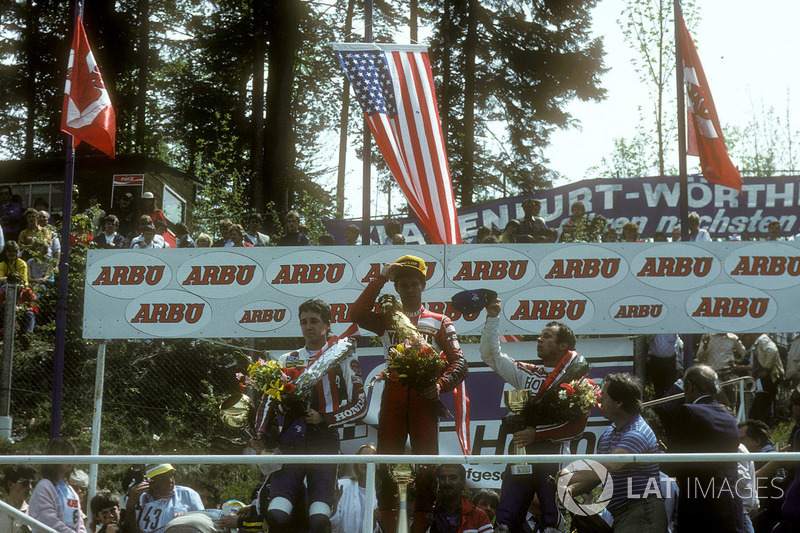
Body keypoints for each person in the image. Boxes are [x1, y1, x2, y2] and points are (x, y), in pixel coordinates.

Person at [352, 255, 468, 533]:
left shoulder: (440, 321)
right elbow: (355, 314)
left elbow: (460, 363)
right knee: (388, 460)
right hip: (392, 393)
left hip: (424, 397)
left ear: (423, 285)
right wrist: (380, 278)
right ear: (397, 287)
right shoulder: (387, 318)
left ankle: (423, 521)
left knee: (427, 462)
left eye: (414, 283)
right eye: (403, 284)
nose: (409, 289)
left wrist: (440, 384)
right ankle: (389, 520)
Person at [252, 299, 367, 533]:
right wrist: (261, 432)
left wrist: (325, 418)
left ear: (327, 324)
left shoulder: (342, 356)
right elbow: (267, 400)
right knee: (277, 513)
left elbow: (361, 404)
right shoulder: (286, 359)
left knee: (318, 519)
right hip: (290, 443)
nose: (308, 327)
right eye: (304, 322)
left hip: (324, 441)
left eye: (314, 321)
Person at [479, 297, 587, 533]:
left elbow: (577, 428)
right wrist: (493, 318)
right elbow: (491, 355)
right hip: (521, 452)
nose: (539, 339)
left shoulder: (577, 380)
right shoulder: (526, 372)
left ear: (563, 346)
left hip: (553, 454)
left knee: (553, 519)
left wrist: (536, 434)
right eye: (540, 335)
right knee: (505, 521)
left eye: (547, 336)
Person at [559, 373, 666, 533]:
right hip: (625, 515)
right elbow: (601, 474)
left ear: (619, 403)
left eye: (604, 396)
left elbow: (610, 465)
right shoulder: (609, 433)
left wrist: (570, 476)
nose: (599, 400)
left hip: (642, 513)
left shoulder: (637, 432)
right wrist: (571, 489)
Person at [663, 364, 744, 533]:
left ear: (689, 386)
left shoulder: (688, 412)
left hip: (700, 508)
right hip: (730, 505)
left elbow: (675, 465)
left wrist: (661, 455)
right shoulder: (729, 418)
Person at [28, 437, 87, 533]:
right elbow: (47, 521)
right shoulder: (44, 486)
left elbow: (79, 522)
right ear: (54, 456)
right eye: (66, 455)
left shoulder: (71, 491)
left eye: (72, 455)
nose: (70, 459)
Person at [126, 464, 204, 533]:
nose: (170, 480)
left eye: (171, 475)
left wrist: (189, 517)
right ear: (151, 481)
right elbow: (128, 528)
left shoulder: (187, 494)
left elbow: (203, 522)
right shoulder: (139, 497)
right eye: (163, 478)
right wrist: (130, 504)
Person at [330, 444, 380, 533]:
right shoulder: (343, 485)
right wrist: (335, 503)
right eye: (362, 458)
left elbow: (374, 530)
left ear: (376, 465)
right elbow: (333, 526)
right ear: (356, 462)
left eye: (370, 459)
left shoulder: (379, 491)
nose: (366, 462)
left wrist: (373, 522)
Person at [429, 464, 492, 533]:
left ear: (463, 481)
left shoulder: (479, 516)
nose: (447, 482)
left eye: (452, 478)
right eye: (443, 478)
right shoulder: (429, 512)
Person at [740, 333, 784, 425]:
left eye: (744, 338)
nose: (743, 342)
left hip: (768, 379)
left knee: (762, 408)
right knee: (761, 407)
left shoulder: (762, 340)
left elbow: (772, 350)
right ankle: (762, 428)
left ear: (750, 335)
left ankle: (763, 429)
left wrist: (767, 369)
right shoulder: (759, 342)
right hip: (762, 380)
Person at [2, 464, 37, 533]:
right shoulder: (1, 508)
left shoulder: (34, 514)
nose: (30, 487)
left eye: (32, 483)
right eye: (25, 483)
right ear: (10, 484)